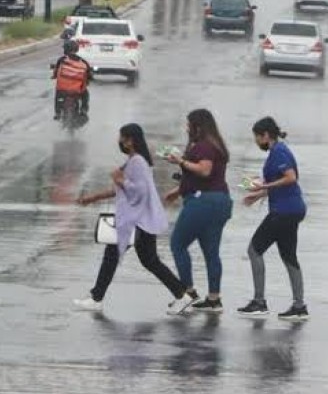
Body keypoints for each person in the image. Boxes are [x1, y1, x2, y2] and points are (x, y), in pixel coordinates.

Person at [73, 123, 195, 315]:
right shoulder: (135, 161)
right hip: (141, 219)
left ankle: (96, 298)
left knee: (113, 256)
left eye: (122, 137)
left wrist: (120, 180)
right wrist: (93, 197)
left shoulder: (137, 162)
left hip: (137, 220)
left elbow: (139, 191)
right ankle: (182, 295)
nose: (119, 141)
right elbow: (121, 189)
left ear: (130, 141)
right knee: (149, 260)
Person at [238, 117, 309, 321]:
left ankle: (259, 302)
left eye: (257, 137)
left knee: (254, 250)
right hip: (292, 209)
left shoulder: (279, 152)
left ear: (266, 136)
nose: (255, 141)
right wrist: (258, 195)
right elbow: (283, 183)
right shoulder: (279, 150)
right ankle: (299, 305)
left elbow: (290, 177)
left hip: (283, 211)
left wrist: (263, 187)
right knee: (288, 256)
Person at [165, 109, 233, 313]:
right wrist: (178, 191)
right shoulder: (216, 145)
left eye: (189, 124)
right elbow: (210, 178)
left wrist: (181, 162)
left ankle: (188, 292)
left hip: (202, 203)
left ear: (198, 126)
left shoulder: (204, 146)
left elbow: (205, 170)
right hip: (220, 201)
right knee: (211, 252)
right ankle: (214, 299)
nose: (187, 128)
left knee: (177, 244)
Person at [51, 39, 91, 120]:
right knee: (86, 95)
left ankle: (57, 113)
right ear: (76, 49)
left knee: (58, 95)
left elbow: (56, 72)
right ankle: (83, 110)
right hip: (77, 90)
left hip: (62, 89)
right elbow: (88, 75)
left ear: (65, 49)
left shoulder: (62, 60)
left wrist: (54, 76)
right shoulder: (83, 61)